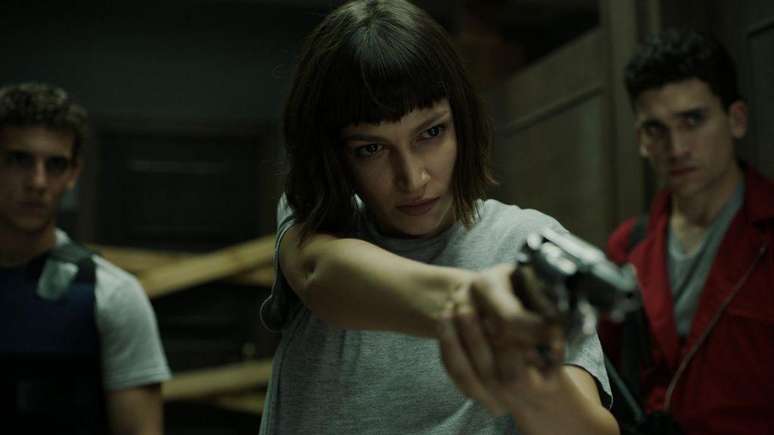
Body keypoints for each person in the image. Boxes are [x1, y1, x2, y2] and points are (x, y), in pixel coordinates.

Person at [259, 1, 618, 434]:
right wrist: (472, 303)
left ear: (462, 122)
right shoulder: (314, 217)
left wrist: (529, 370)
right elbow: (320, 274)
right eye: (371, 149)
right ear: (335, 157)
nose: (412, 178)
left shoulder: (528, 243)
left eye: (430, 132)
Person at [602, 29, 774, 435]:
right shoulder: (627, 246)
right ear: (641, 140)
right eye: (656, 129)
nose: (676, 147)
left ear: (736, 119)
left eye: (692, 120)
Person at [0, 82, 171, 434]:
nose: (37, 182)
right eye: (19, 159)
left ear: (73, 173)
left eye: (55, 164)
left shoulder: (113, 295)